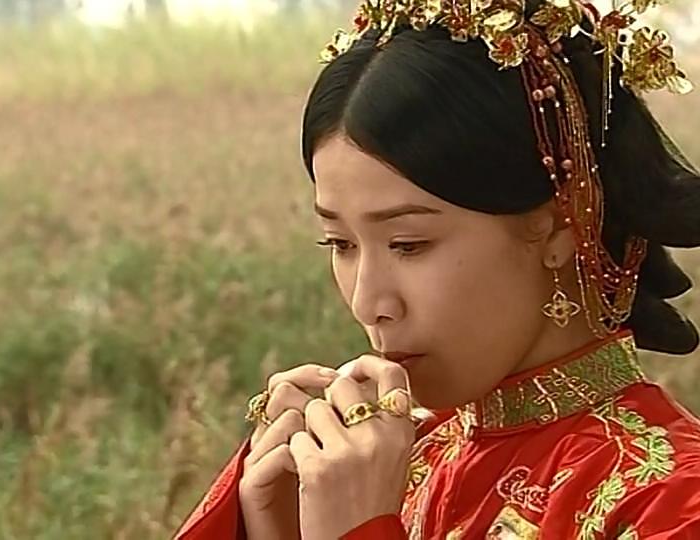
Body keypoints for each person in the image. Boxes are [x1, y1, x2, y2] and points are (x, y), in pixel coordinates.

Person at [173, 0, 700, 538]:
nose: (368, 303)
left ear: (564, 222)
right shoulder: (383, 465)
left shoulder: (673, 504)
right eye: (340, 243)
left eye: (408, 244)